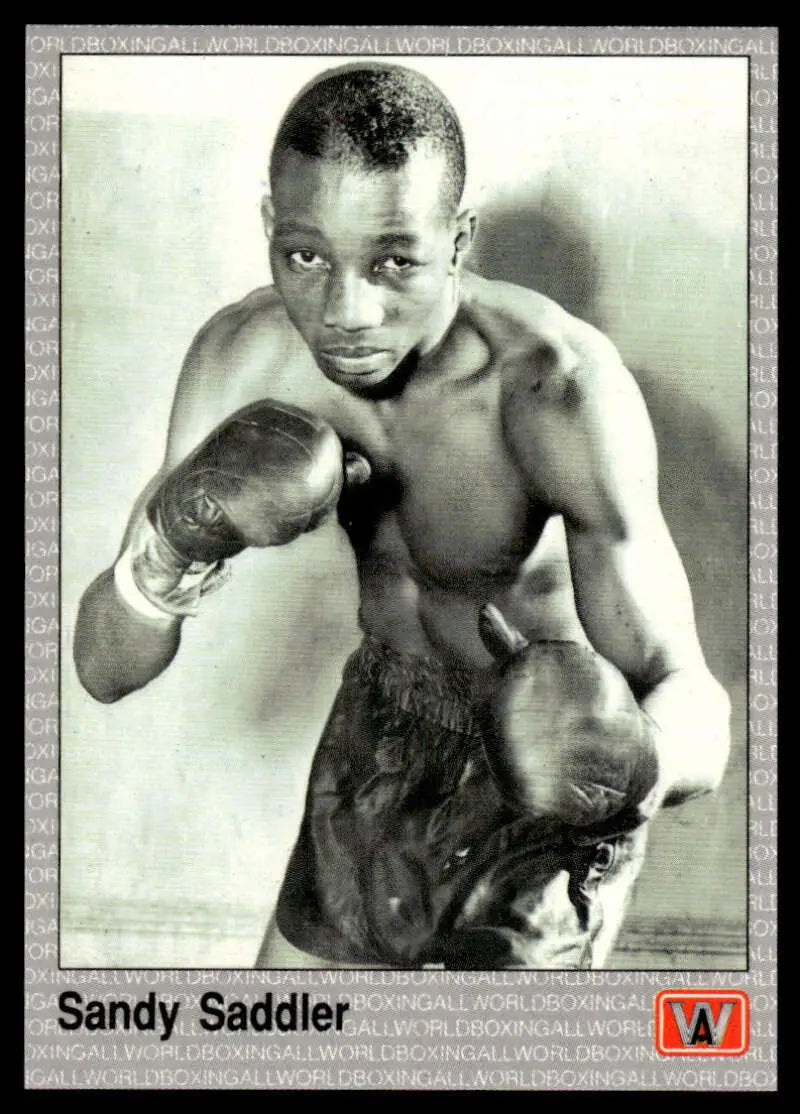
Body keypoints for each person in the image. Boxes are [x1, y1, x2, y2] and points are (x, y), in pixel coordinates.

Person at [73, 63, 731, 970]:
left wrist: (635, 762)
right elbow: (104, 670)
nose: (347, 313)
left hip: (547, 781)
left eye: (395, 262)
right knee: (278, 1048)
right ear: (271, 229)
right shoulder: (244, 359)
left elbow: (691, 692)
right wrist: (169, 547)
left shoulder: (556, 390)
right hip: (377, 731)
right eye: (306, 256)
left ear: (458, 239)